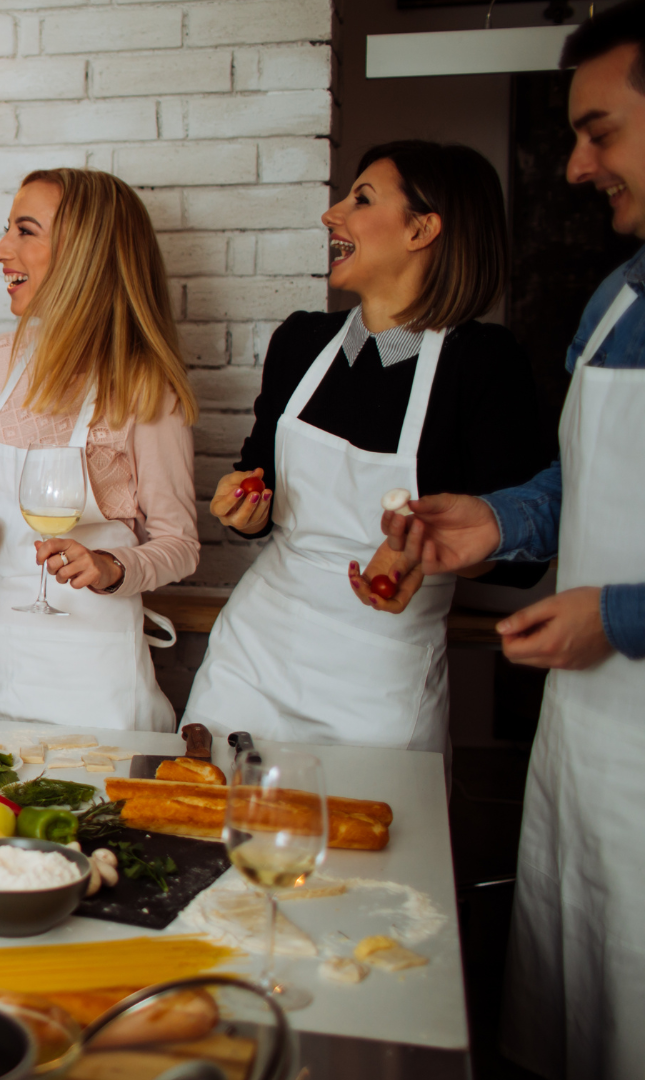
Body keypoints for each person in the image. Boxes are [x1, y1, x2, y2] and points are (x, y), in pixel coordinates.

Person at [383, 10, 645, 1075]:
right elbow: (584, 483)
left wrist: (622, 615)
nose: (578, 168)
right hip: (586, 745)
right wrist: (499, 518)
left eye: (602, 133)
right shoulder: (616, 297)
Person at [181, 141, 556, 753]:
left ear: (422, 228)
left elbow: (523, 559)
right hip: (255, 651)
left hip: (381, 673)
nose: (333, 214)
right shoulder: (302, 342)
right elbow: (260, 481)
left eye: (361, 199)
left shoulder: (484, 362)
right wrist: (244, 505)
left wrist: (435, 549)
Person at [0, 168, 198, 729]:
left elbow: (180, 544)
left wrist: (113, 565)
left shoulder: (142, 384)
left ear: (84, 254)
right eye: (7, 230)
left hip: (88, 681)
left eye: (25, 231)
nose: (1, 250)